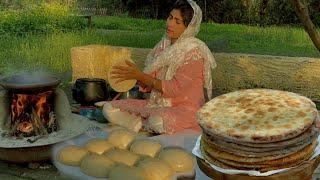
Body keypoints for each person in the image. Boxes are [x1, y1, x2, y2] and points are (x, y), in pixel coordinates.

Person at [103, 0, 216, 134]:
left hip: (184, 109)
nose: (170, 23)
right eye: (170, 17)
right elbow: (150, 80)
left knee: (157, 121)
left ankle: (143, 123)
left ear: (189, 28)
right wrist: (132, 76)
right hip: (156, 105)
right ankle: (136, 124)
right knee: (108, 108)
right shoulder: (163, 45)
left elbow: (173, 89)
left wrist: (140, 75)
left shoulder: (194, 53)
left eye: (177, 21)